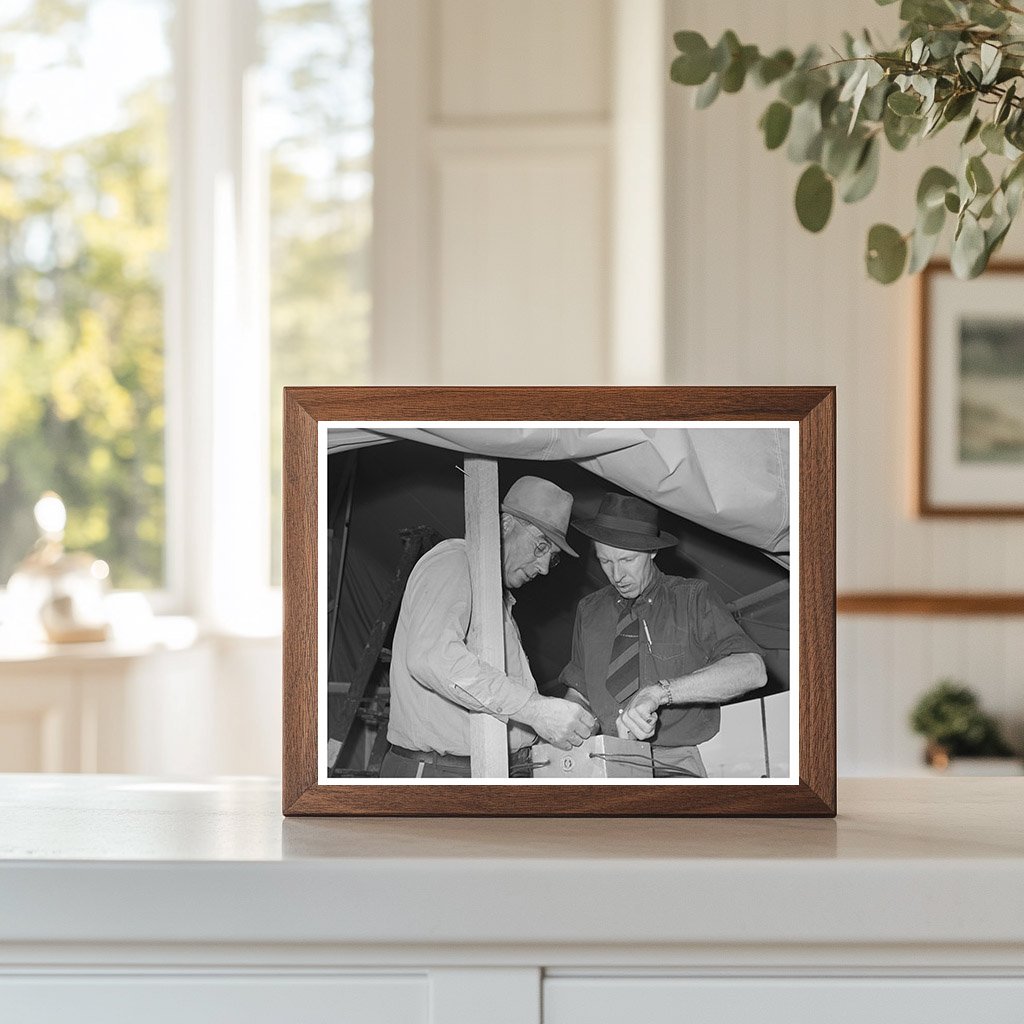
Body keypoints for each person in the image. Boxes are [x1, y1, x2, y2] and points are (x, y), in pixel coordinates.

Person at [380, 475, 597, 778]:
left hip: (489, 771)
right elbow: (432, 657)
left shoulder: (495, 595)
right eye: (540, 547)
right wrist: (535, 709)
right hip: (442, 776)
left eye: (553, 558)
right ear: (505, 525)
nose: (545, 568)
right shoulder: (455, 561)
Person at [557, 492, 766, 778]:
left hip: (674, 766)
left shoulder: (693, 598)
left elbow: (752, 671)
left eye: (627, 560)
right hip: (604, 763)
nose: (617, 575)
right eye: (605, 562)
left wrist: (659, 692)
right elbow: (581, 691)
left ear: (653, 551)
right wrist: (562, 720)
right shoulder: (589, 610)